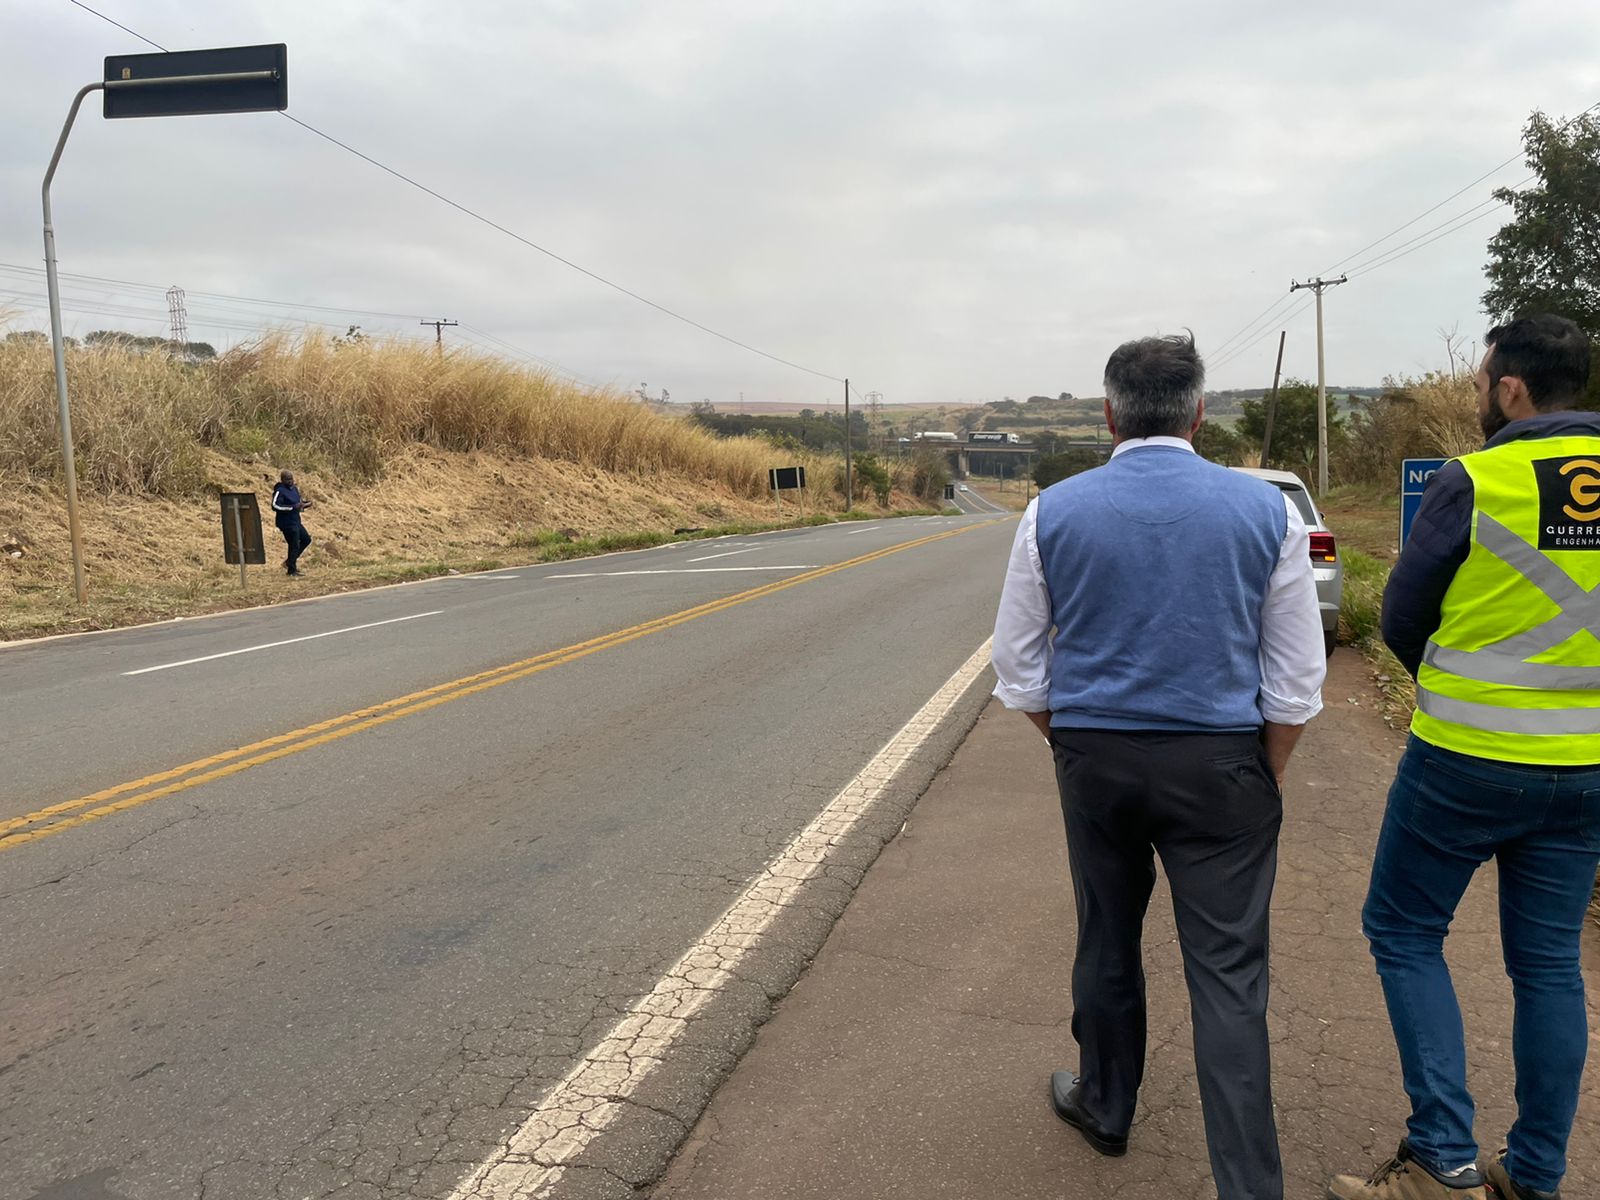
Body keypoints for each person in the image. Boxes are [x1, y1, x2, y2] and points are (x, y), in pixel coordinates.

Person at [991, 333, 1326, 1200]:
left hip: (1095, 757)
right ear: (1200, 414)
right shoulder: (1267, 513)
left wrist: (1074, 743)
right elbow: (1294, 683)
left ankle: (1106, 1107)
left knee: (1107, 936)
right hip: (1221, 764)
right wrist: (1264, 770)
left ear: (1109, 415)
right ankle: (1249, 1187)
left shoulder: (1051, 512)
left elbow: (1020, 668)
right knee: (1228, 974)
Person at [1329, 314, 1600, 1200]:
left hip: (1465, 761)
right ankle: (1536, 1177)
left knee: (1404, 931)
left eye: (1484, 382)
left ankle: (1442, 1161)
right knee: (1551, 965)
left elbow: (1403, 612)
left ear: (1510, 389)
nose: (1480, 394)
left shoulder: (1474, 479)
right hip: (1589, 772)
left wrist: (1446, 689)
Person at [270, 469, 314, 576]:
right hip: (286, 523)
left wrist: (305, 504)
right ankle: (291, 570)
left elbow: (298, 504)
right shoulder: (279, 490)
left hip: (296, 521)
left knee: (306, 539)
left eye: (291, 479)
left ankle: (289, 562)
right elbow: (275, 506)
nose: (290, 481)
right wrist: (291, 508)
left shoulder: (294, 489)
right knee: (293, 544)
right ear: (282, 480)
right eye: (287, 479)